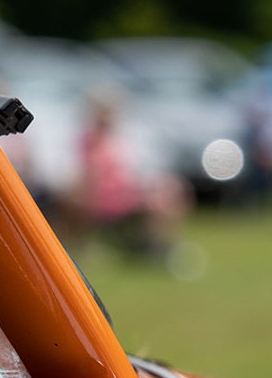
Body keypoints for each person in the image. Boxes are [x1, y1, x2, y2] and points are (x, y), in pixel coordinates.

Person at [73, 89, 187, 264]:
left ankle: (158, 245)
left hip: (127, 195)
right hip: (106, 200)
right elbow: (91, 177)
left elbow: (133, 171)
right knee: (159, 200)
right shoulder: (90, 140)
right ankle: (153, 248)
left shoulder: (121, 138)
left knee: (170, 191)